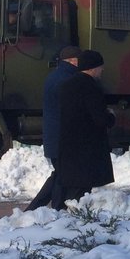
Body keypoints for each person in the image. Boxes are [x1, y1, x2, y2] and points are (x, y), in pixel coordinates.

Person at [52, 49, 115, 206]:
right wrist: (111, 116)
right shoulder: (91, 87)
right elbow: (99, 119)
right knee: (81, 192)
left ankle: (62, 214)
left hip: (69, 144)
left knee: (71, 186)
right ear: (93, 67)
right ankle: (75, 222)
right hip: (87, 147)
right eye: (101, 66)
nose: (103, 69)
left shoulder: (66, 85)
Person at [25, 45, 81, 211]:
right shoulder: (68, 80)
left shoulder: (56, 76)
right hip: (62, 137)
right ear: (73, 61)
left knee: (60, 174)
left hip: (55, 136)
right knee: (62, 176)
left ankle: (34, 210)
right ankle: (56, 210)